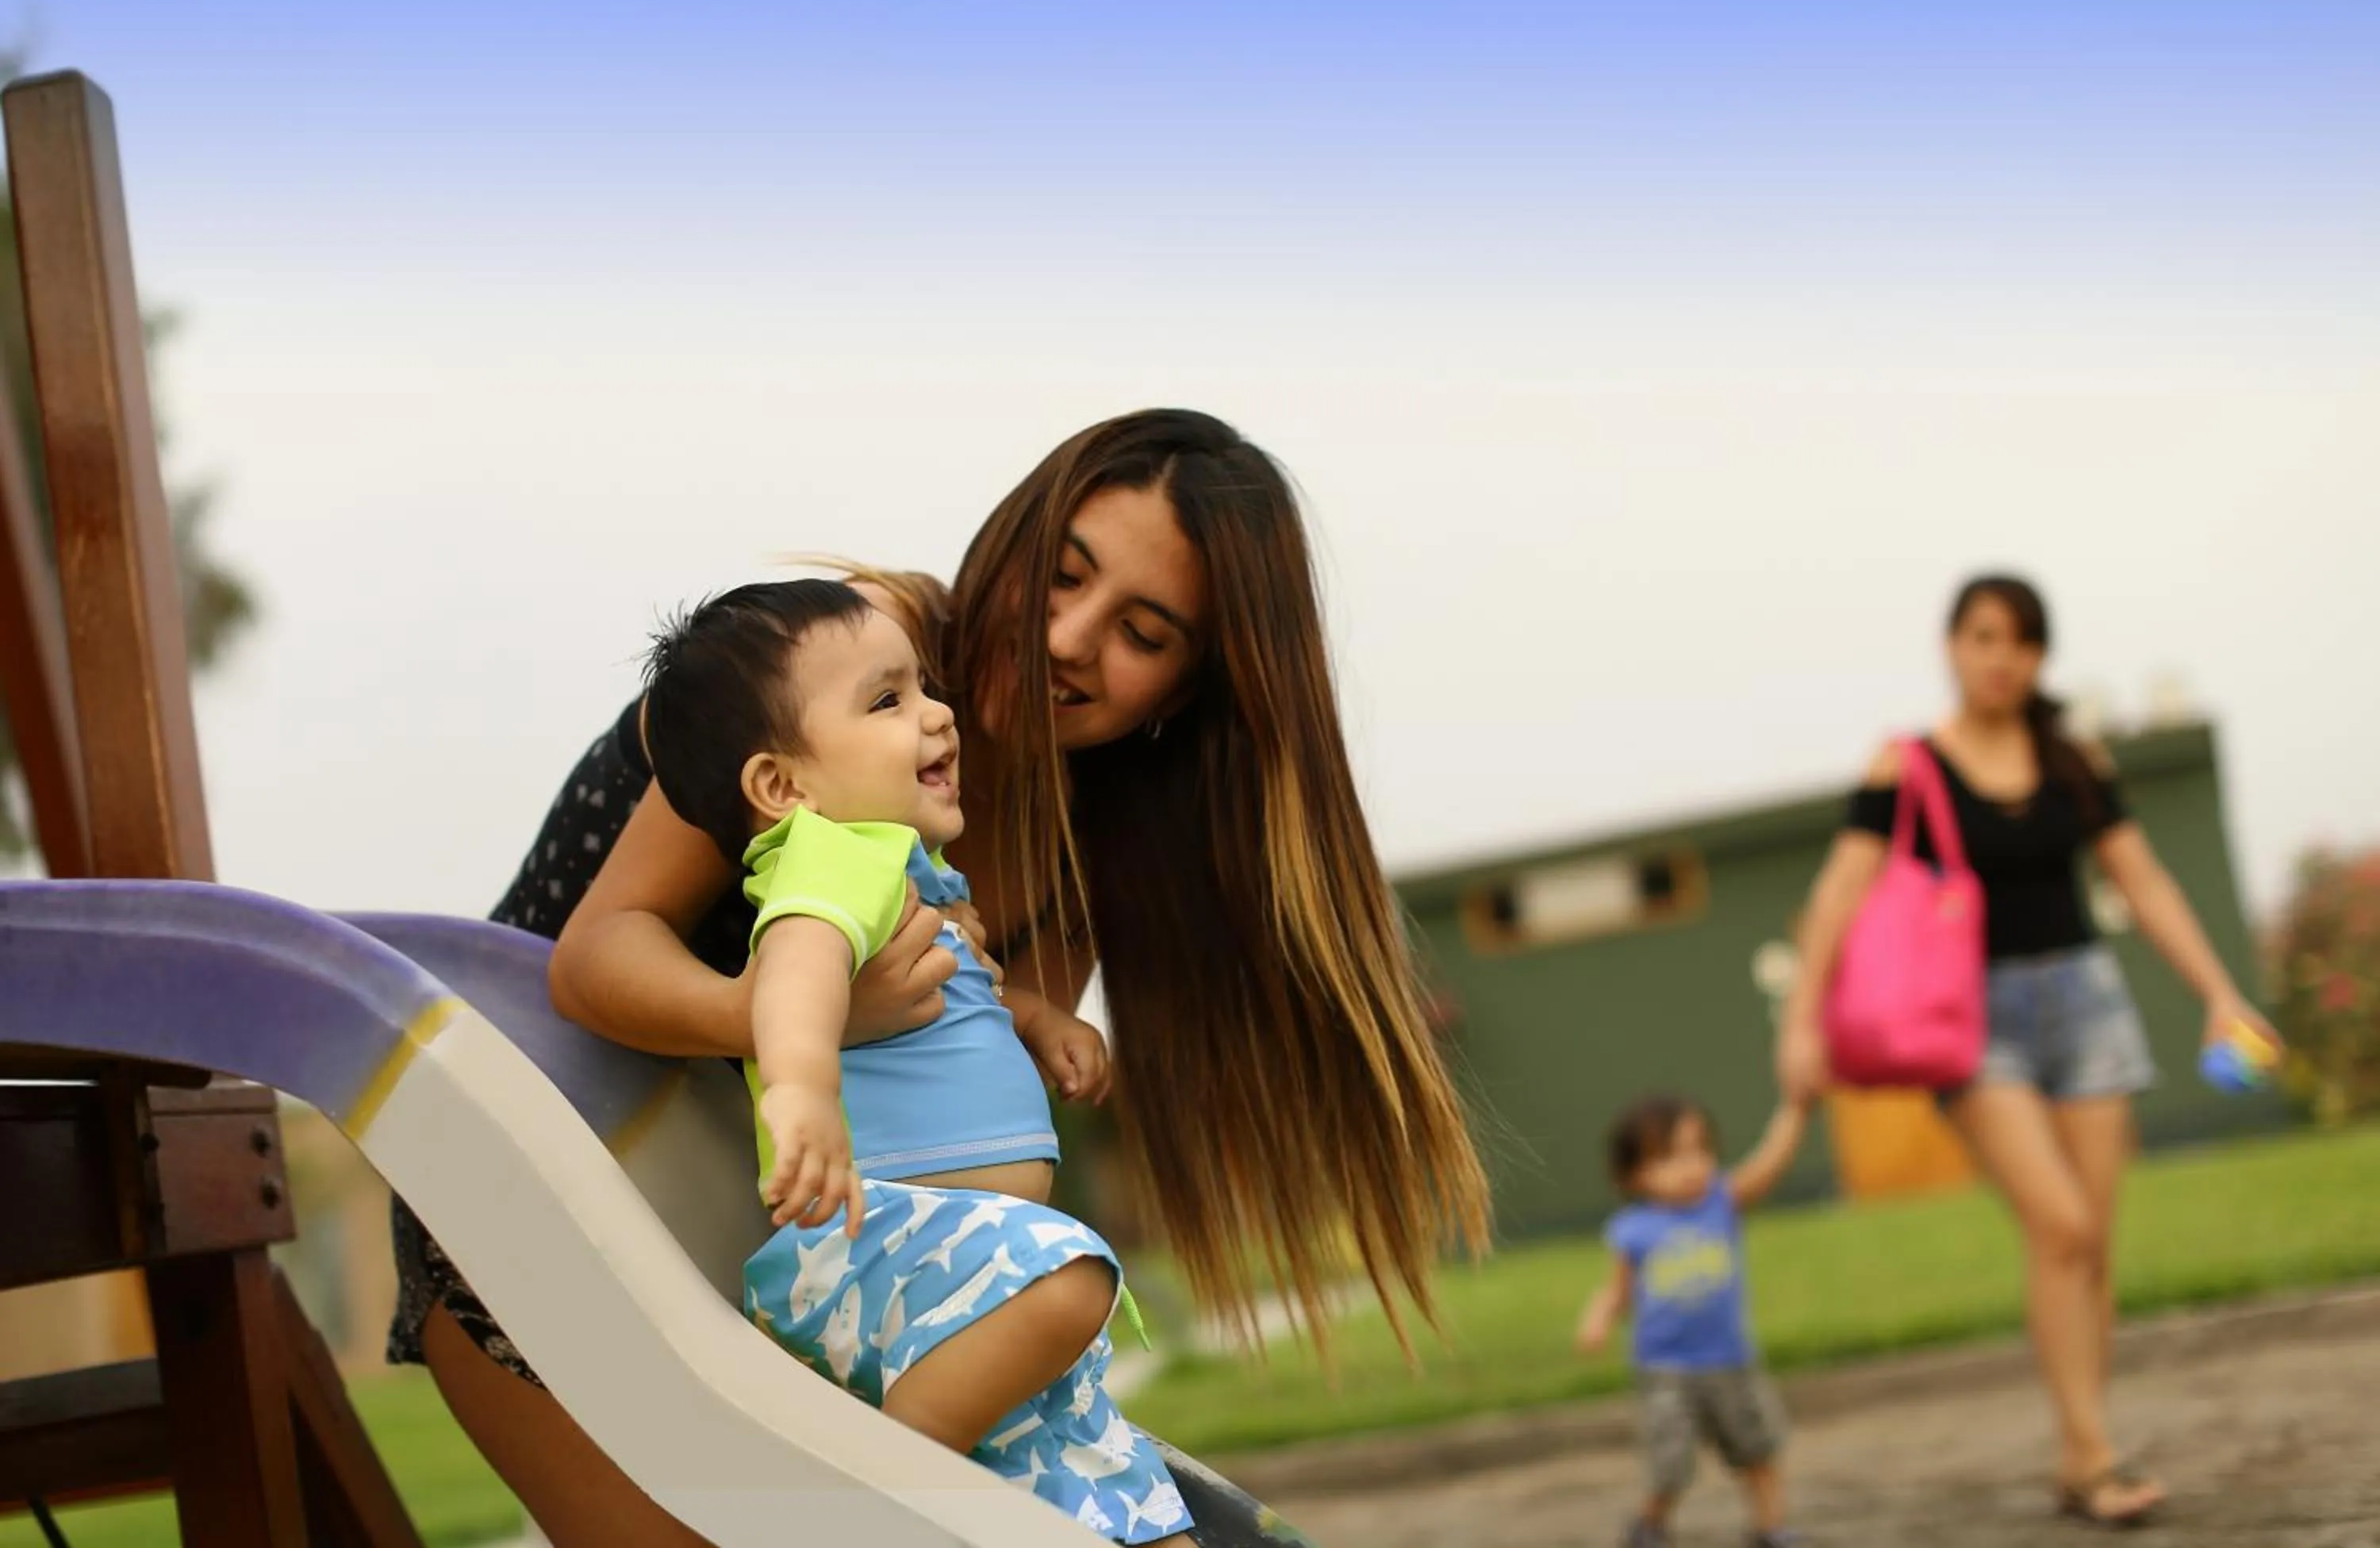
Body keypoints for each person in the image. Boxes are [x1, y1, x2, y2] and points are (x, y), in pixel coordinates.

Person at [386, 409, 1491, 1545]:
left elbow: (959, 1115)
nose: (1069, 635)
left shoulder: (1086, 837)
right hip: (539, 1185)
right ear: (1015, 537)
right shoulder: (832, 670)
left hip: (789, 1244)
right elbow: (597, 952)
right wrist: (781, 1017)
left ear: (1187, 691)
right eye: (1062, 575)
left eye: (1142, 633)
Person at [639, 576, 1183, 1542]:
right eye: (888, 700)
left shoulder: (910, 875)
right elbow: (793, 979)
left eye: (925, 688)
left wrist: (1032, 1015)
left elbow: (950, 994)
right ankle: (880, 1501)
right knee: (1074, 1280)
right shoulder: (829, 860)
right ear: (783, 787)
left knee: (1137, 1515)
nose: (938, 716)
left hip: (960, 1289)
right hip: (878, 1248)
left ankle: (929, 1481)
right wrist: (801, 1089)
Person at [1773, 574, 2282, 1528]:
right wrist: (1801, 1020)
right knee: (2060, 1226)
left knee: (2092, 1245)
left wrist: (2217, 994)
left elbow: (2145, 880)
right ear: (1952, 645)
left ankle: (2078, 1443)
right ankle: (2093, 1457)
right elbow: (1839, 893)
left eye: (2020, 641)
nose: (1999, 656)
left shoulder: (2074, 757)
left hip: (2087, 1001)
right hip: (1971, 1022)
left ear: (2040, 657)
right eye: (1982, 636)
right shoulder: (1906, 763)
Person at [1576, 1093, 1810, 1548]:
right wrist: (1598, 1318)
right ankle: (1649, 1525)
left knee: (1758, 1449)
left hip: (1730, 1361)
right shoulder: (1634, 1229)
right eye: (1670, 1157)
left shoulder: (1720, 1203)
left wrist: (1795, 1110)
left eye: (1700, 1150)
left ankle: (1770, 1528)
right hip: (1667, 1371)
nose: (1692, 1165)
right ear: (1633, 1175)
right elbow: (1618, 1291)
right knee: (1671, 1463)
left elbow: (1768, 1165)